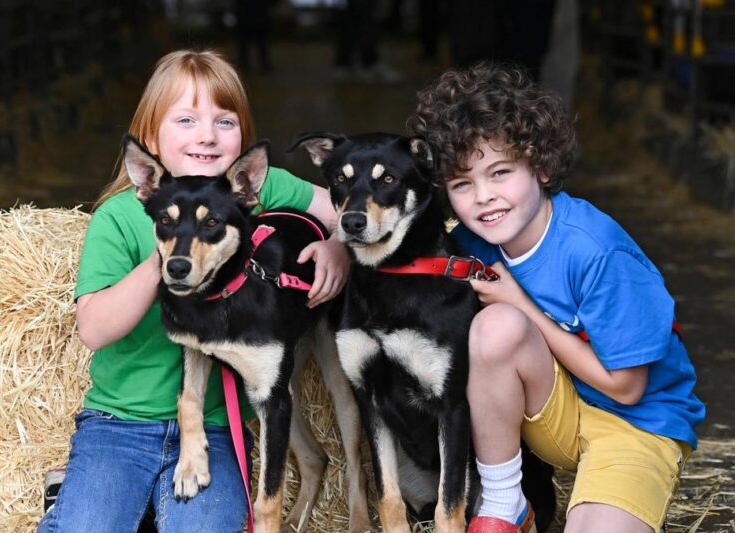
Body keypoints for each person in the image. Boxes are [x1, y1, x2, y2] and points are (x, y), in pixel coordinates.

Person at [37, 49, 349, 533]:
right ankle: (85, 493)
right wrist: (168, 256)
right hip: (119, 423)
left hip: (218, 430)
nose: (207, 135)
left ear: (244, 148)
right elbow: (94, 330)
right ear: (149, 144)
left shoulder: (251, 189)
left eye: (224, 122)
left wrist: (337, 247)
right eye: (186, 119)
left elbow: (345, 212)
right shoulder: (119, 217)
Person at [409, 63, 705, 533]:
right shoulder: (471, 238)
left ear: (541, 166)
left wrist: (522, 304)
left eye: (500, 172)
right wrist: (333, 246)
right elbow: (383, 230)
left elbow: (627, 387)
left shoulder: (599, 252)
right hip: (555, 409)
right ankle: (505, 501)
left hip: (636, 423)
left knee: (506, 315)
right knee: (495, 327)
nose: (484, 197)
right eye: (462, 184)